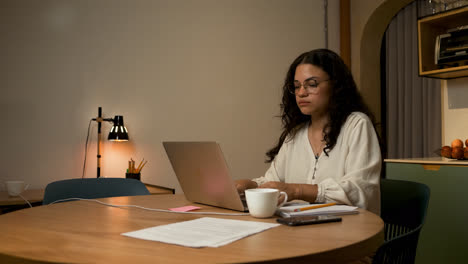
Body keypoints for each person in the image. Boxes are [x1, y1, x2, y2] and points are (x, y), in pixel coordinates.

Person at [236, 49, 381, 215]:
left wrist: (297, 191)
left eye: (312, 84)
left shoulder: (357, 124)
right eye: (296, 86)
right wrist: (250, 186)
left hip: (349, 230)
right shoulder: (295, 134)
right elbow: (274, 181)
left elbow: (360, 191)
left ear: (335, 85)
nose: (301, 93)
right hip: (303, 229)